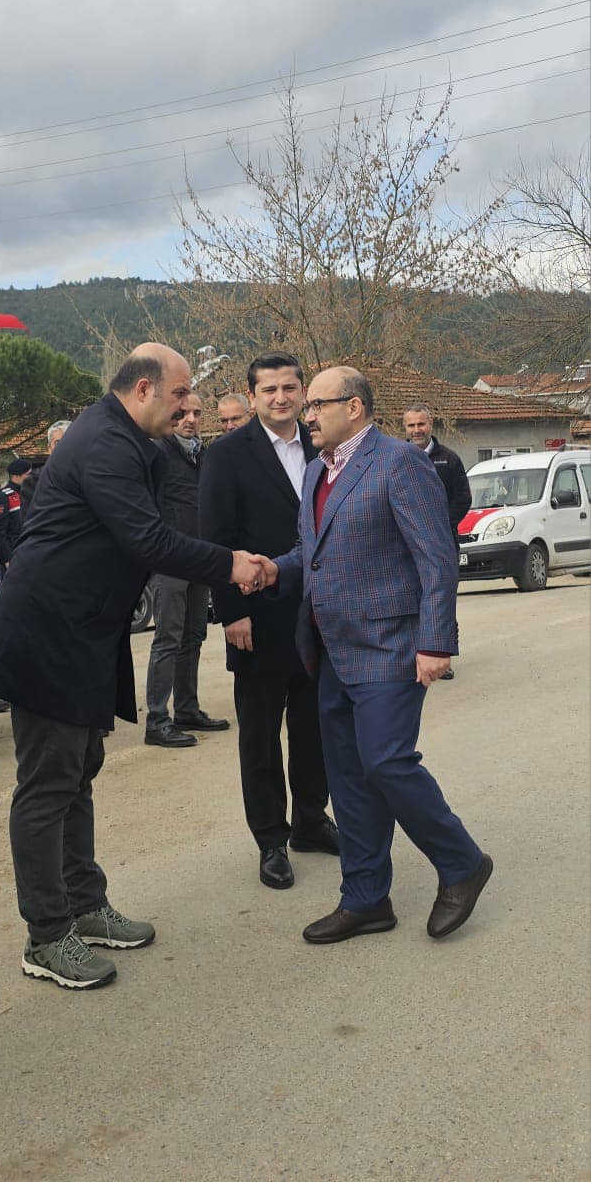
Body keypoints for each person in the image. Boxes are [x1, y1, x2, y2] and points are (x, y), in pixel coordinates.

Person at [0, 344, 269, 991]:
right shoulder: (103, 444)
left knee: (79, 773)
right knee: (48, 785)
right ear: (141, 390)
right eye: (180, 393)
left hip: (84, 633)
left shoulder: (136, 442)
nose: (190, 404)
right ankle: (46, 936)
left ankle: (84, 904)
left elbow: (183, 510)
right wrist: (230, 564)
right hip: (46, 634)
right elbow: (148, 539)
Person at [259, 366, 492, 944]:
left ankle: (462, 862)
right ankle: (365, 899)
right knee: (348, 776)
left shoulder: (399, 463)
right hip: (330, 650)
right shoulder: (317, 470)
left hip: (389, 645)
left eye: (316, 404)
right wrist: (272, 569)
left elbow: (436, 556)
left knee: (386, 761)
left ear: (355, 407)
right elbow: (312, 548)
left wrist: (436, 642)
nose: (306, 414)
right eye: (306, 405)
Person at [201, 353, 337, 890]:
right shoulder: (227, 455)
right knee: (259, 736)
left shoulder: (320, 445)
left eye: (289, 387)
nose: (281, 398)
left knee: (313, 726)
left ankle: (309, 819)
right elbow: (215, 538)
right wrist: (230, 611)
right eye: (269, 390)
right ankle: (270, 841)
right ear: (252, 396)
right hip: (255, 617)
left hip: (316, 614)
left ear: (303, 392)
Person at [143, 391, 229, 748]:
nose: (191, 419)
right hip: (169, 561)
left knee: (194, 637)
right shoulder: (156, 453)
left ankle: (187, 709)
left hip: (199, 559)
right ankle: (156, 719)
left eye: (197, 412)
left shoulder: (202, 455)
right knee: (168, 638)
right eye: (183, 413)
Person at [402, 404, 471, 682]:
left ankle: (444, 656)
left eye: (421, 424)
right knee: (411, 601)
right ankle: (414, 657)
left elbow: (463, 499)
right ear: (404, 428)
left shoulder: (449, 460)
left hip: (442, 545)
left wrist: (439, 528)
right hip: (406, 548)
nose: (416, 430)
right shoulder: (396, 457)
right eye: (411, 426)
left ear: (431, 425)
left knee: (441, 599)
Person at [0, 456, 30, 574]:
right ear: (16, 476)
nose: (31, 477)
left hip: (28, 551)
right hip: (12, 554)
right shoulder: (3, 497)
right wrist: (7, 558)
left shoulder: (27, 494)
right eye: (27, 474)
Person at [20, 420, 71, 515]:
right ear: (49, 448)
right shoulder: (34, 482)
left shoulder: (87, 477)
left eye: (69, 441)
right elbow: (28, 522)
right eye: (58, 443)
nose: (63, 447)